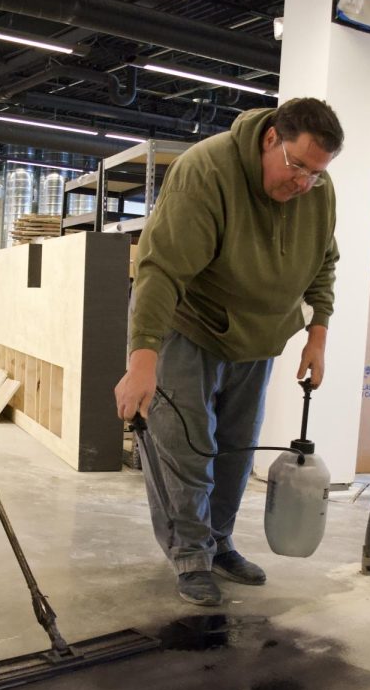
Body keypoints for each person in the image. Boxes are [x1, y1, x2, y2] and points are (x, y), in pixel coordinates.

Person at [114, 98, 343, 607]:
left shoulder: (317, 191)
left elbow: (324, 263)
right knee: (187, 449)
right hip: (190, 327)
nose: (303, 183)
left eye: (316, 173)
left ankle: (218, 544)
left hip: (258, 338)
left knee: (236, 452)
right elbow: (160, 270)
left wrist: (318, 335)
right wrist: (142, 360)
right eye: (297, 166)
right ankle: (190, 554)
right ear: (270, 140)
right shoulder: (206, 171)